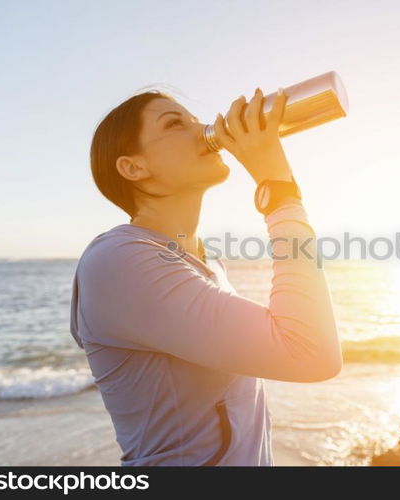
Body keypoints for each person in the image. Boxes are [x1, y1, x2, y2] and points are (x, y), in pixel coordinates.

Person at [69, 86, 342, 466]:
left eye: (196, 120)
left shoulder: (204, 264)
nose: (203, 130)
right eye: (175, 123)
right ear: (134, 167)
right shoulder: (119, 260)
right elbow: (310, 353)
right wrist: (277, 187)